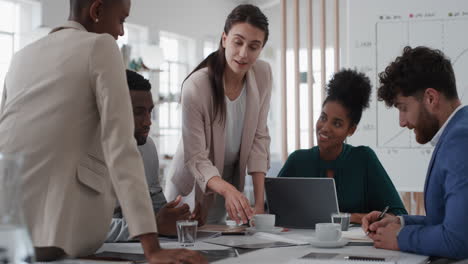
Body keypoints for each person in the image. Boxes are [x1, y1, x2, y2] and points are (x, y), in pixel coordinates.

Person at [0, 0, 205, 263]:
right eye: (121, 20)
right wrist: (152, 248)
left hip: (14, 231)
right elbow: (120, 145)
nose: (121, 32)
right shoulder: (100, 45)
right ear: (96, 11)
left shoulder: (21, 57)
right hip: (68, 234)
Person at [167, 4, 272, 225]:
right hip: (193, 186)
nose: (244, 54)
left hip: (228, 184)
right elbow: (196, 157)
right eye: (238, 42)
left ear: (261, 49)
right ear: (224, 39)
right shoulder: (196, 86)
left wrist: (260, 203)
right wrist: (227, 190)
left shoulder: (262, 74)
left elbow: (259, 138)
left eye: (254, 46)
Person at [362, 46, 468, 260]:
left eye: (403, 108)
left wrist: (400, 238)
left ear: (430, 98)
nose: (402, 122)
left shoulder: (460, 140)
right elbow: (449, 221)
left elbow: (458, 240)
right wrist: (399, 223)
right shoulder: (456, 131)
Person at [278, 69, 407, 224]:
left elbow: (398, 214)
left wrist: (349, 218)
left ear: (351, 130)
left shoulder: (363, 159)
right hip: (301, 243)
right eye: (323, 118)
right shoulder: (297, 160)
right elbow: (271, 211)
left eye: (337, 123)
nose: (325, 127)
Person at [106, 70, 192, 242]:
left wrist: (176, 218)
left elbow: (156, 205)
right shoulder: (84, 155)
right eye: (138, 112)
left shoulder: (147, 146)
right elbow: (84, 231)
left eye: (149, 111)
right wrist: (152, 226)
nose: (148, 122)